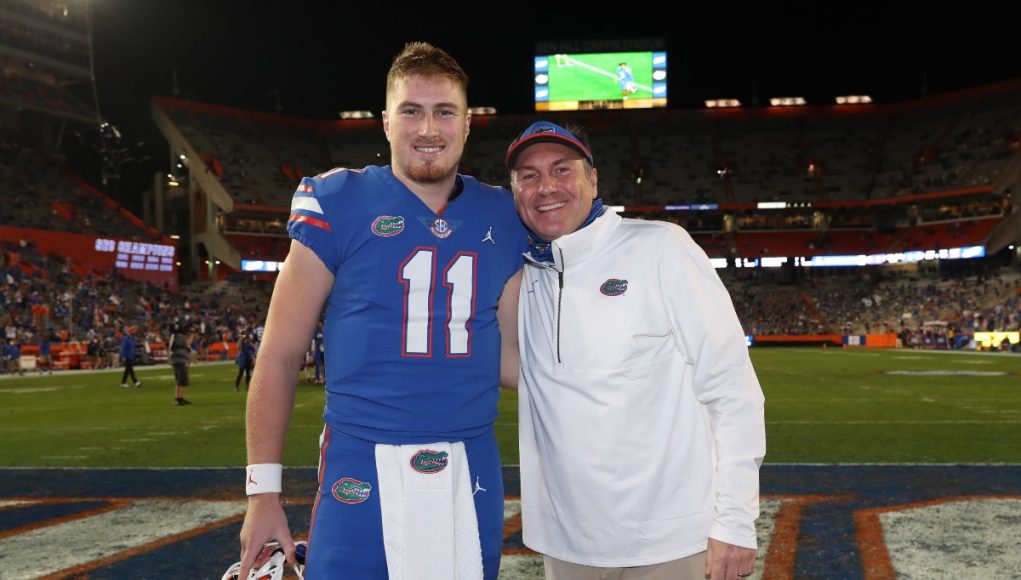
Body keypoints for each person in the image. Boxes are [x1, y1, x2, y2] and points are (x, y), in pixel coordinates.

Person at [236, 41, 526, 579]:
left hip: (471, 460)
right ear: (387, 123)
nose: (428, 129)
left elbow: (510, 359)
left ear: (468, 125)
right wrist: (262, 494)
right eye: (411, 111)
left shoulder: (503, 216)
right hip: (361, 458)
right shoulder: (340, 200)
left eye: (445, 112)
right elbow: (278, 355)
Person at [505, 121, 766, 580]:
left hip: (669, 545)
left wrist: (736, 523)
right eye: (529, 175)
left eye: (562, 169)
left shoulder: (660, 246)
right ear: (514, 191)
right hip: (565, 547)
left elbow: (732, 388)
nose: (546, 187)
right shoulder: (525, 274)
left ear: (593, 179)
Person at [168, 324, 194, 405]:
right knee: (182, 380)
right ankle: (178, 399)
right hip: (180, 360)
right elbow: (187, 343)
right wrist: (192, 334)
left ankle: (179, 398)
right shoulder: (179, 336)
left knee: (179, 380)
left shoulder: (174, 336)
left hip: (176, 359)